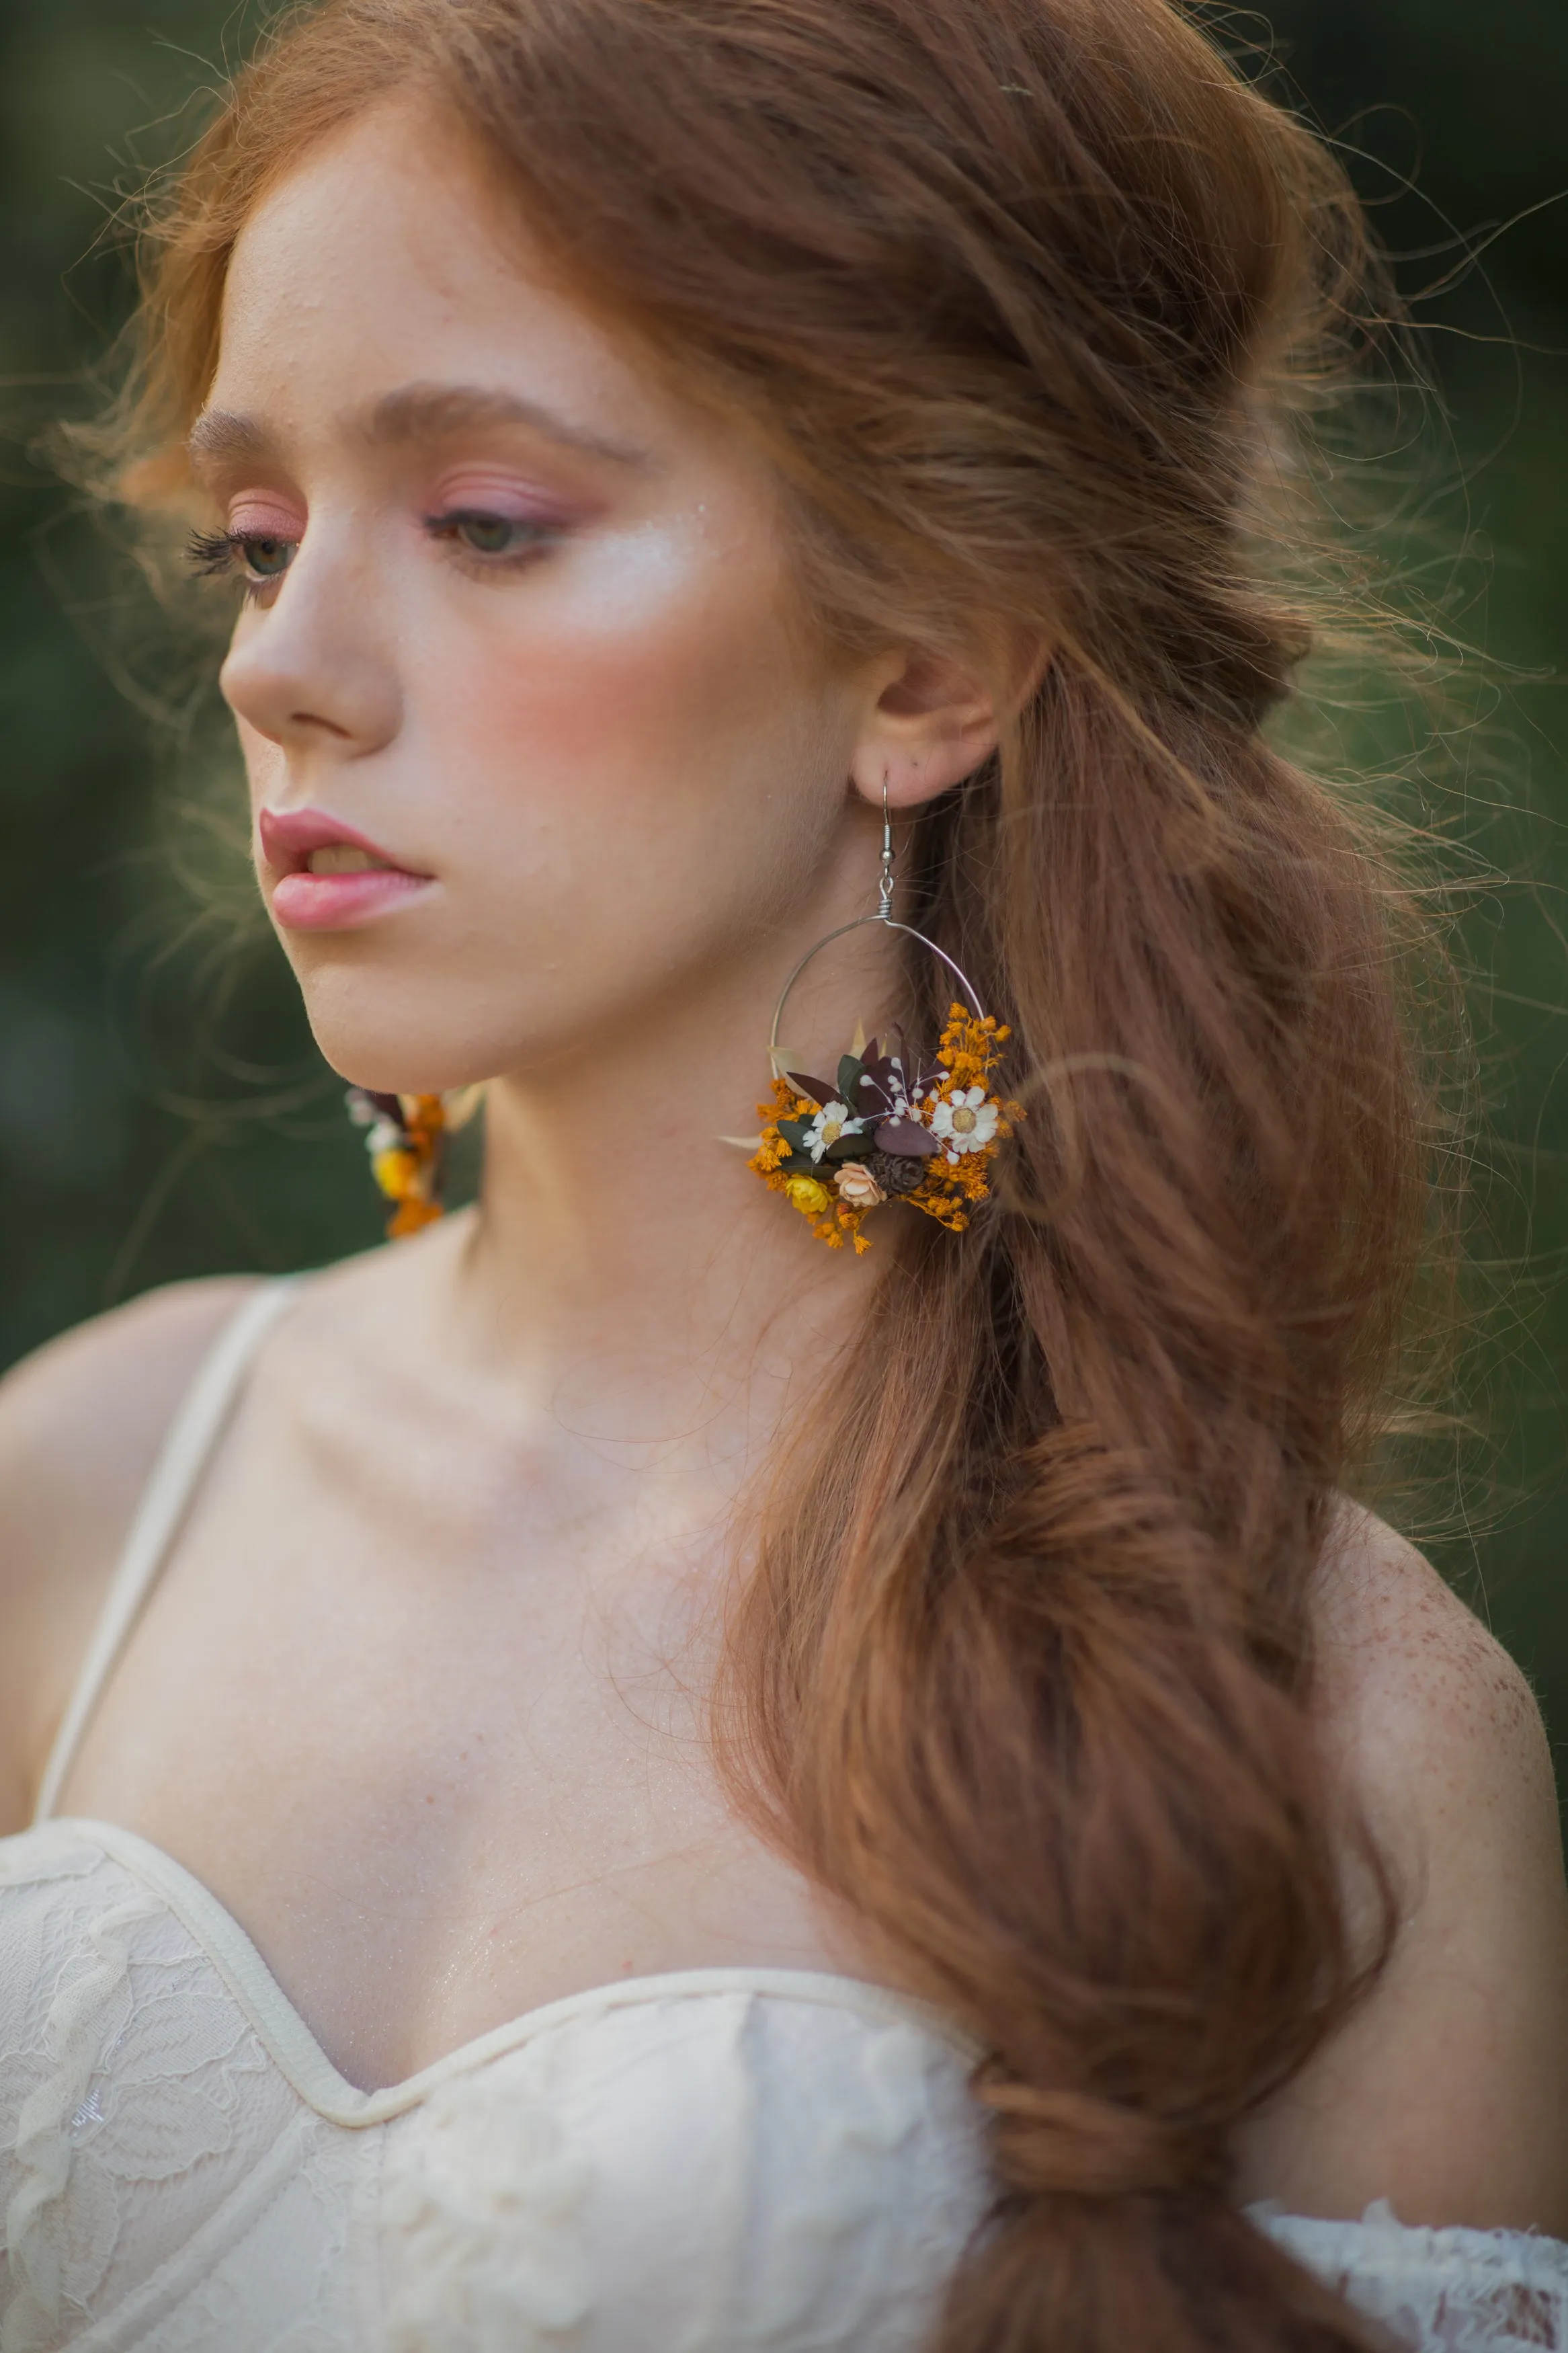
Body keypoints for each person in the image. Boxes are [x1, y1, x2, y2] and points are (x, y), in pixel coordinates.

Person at [1, 0, 1565, 2346]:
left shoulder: (1327, 1716)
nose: (285, 662)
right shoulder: (79, 1489)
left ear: (928, 655)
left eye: (488, 520)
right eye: (253, 536)